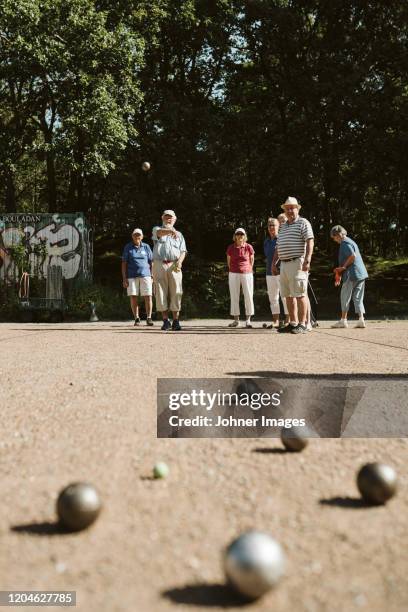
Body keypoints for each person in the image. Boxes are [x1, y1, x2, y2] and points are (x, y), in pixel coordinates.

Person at [273, 196, 314, 334]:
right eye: (287, 208)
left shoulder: (303, 222)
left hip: (297, 262)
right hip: (284, 264)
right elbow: (278, 246)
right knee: (288, 295)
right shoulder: (283, 226)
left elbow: (310, 241)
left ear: (297, 209)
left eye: (292, 208)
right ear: (284, 210)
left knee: (300, 294)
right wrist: (274, 263)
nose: (290, 210)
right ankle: (293, 322)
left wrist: (308, 259)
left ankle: (302, 324)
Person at [152, 209, 187, 331]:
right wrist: (171, 231)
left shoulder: (180, 235)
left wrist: (180, 262)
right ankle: (165, 321)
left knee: (177, 292)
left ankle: (176, 321)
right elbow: (160, 233)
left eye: (171, 217)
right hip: (159, 264)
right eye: (166, 216)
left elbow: (183, 251)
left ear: (175, 219)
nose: (168, 218)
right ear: (162, 218)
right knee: (160, 292)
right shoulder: (156, 229)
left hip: (174, 265)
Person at [330, 225, 368, 328]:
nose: (334, 240)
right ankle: (361, 320)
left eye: (334, 238)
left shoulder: (344, 243)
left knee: (345, 296)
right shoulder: (351, 241)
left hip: (351, 274)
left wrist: (343, 268)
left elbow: (352, 256)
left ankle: (343, 320)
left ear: (338, 235)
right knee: (358, 298)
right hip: (361, 274)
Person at [121, 228, 154, 326]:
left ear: (142, 236)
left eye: (139, 235)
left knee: (148, 296)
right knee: (133, 297)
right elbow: (124, 263)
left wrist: (152, 275)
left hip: (146, 275)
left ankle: (149, 318)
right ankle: (136, 318)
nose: (137, 237)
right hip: (131, 276)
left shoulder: (146, 247)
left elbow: (151, 262)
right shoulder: (128, 247)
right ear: (132, 236)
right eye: (135, 235)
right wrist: (124, 278)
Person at [226, 228, 255, 328]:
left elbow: (252, 260)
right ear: (235, 236)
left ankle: (248, 320)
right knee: (234, 295)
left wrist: (248, 270)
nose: (240, 236)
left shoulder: (249, 247)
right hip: (233, 273)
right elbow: (228, 262)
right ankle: (236, 320)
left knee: (248, 295)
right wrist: (234, 270)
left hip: (247, 273)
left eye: (242, 234)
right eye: (238, 234)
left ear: (245, 236)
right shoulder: (230, 247)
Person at [264, 217, 288, 327]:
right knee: (273, 297)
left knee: (285, 296)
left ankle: (288, 320)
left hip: (281, 272)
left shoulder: (282, 239)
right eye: (269, 225)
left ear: (279, 226)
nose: (271, 227)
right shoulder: (266, 241)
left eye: (274, 225)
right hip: (269, 273)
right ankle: (276, 321)